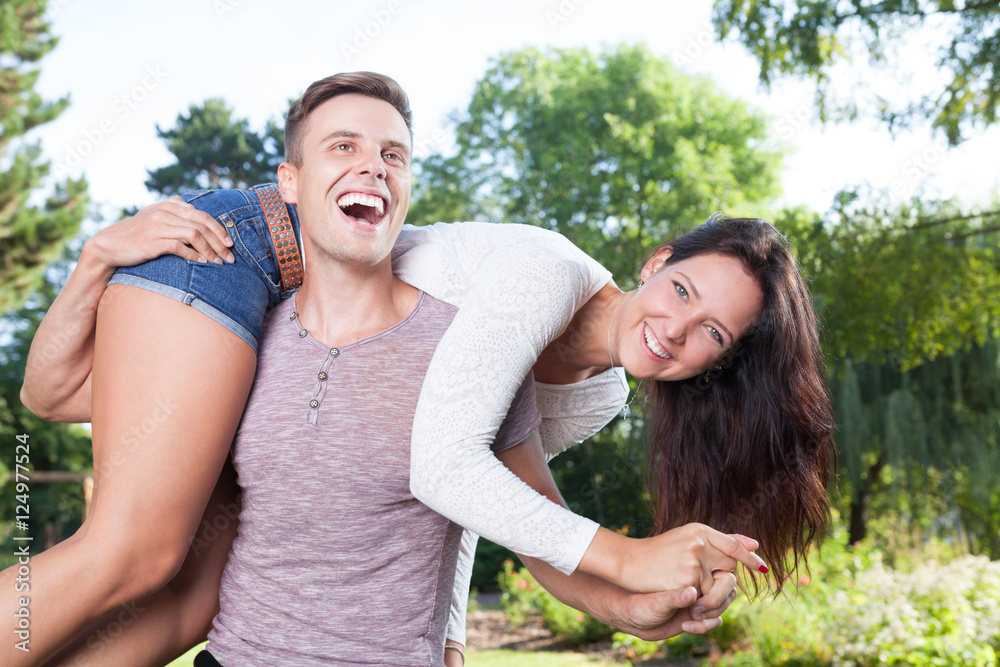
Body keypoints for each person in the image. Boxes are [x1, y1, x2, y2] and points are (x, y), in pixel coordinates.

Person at [8, 72, 764, 666]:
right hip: (241, 248)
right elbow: (449, 466)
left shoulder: (595, 394)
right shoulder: (543, 272)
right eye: (682, 291)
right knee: (134, 551)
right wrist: (97, 258)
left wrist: (460, 635)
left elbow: (477, 491)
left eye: (712, 333)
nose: (674, 330)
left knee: (191, 598)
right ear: (656, 263)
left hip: (327, 307)